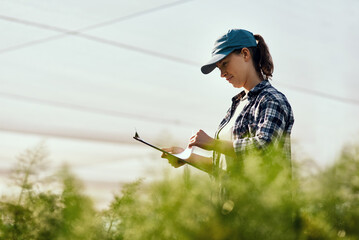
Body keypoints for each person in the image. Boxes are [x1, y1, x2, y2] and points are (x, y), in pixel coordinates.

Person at [161, 29, 294, 177]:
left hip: (261, 200)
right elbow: (227, 167)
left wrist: (213, 144)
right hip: (231, 199)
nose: (222, 74)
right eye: (219, 68)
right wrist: (187, 157)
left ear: (245, 54)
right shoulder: (238, 104)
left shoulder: (271, 100)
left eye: (225, 64)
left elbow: (263, 148)